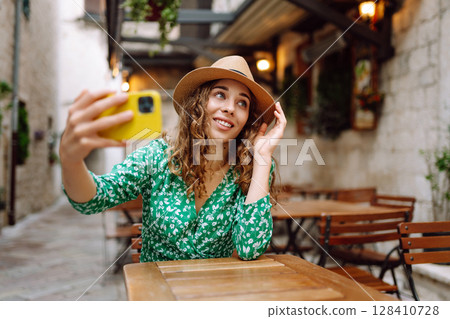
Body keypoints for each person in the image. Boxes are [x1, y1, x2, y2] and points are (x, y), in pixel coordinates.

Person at [60, 55, 287, 262]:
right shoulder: (159, 156)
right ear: (198, 103)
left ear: (247, 120)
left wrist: (262, 158)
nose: (229, 108)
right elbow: (93, 200)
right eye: (220, 94)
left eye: (242, 103)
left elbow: (250, 248)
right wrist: (70, 160)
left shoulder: (244, 171)